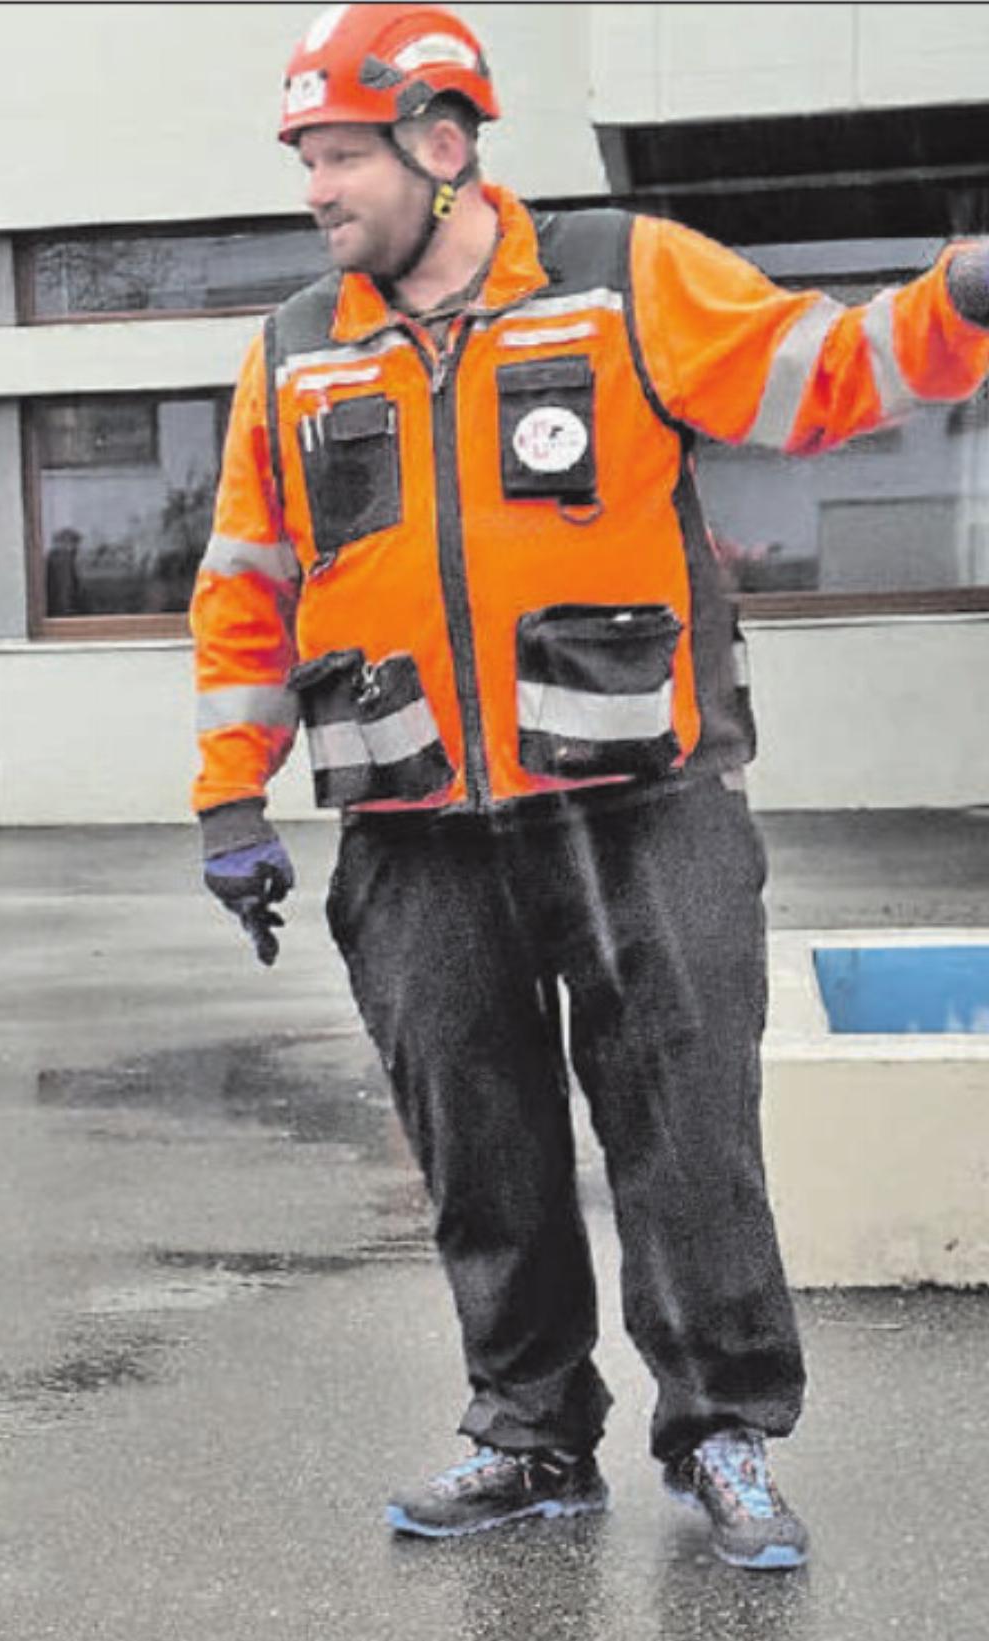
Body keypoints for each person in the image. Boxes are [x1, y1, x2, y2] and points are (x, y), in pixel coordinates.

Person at [191, 2, 989, 1573]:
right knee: (476, 1145)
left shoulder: (626, 276)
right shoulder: (294, 349)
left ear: (441, 140)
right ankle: (531, 1433)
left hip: (641, 793)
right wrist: (231, 797)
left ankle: (725, 1433)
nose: (316, 190)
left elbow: (819, 374)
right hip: (413, 827)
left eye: (340, 153)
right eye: (306, 158)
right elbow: (248, 581)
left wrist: (961, 295)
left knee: (687, 1128)